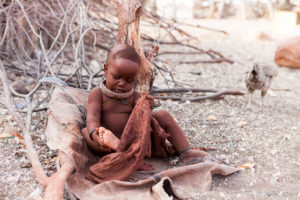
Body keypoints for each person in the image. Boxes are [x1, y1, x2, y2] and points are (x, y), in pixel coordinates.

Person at [81, 44, 209, 168]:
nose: (121, 83)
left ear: (135, 78)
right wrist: (95, 134)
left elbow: (144, 123)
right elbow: (92, 117)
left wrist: (147, 106)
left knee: (162, 115)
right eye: (117, 77)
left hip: (134, 143)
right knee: (86, 132)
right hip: (106, 142)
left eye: (129, 80)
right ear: (105, 69)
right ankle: (117, 147)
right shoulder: (98, 93)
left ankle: (186, 152)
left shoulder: (135, 96)